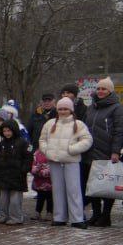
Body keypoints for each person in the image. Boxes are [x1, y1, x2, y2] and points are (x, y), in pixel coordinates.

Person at [39, 96, 91, 228]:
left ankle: (77, 218)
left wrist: (72, 150)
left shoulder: (78, 124)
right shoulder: (50, 124)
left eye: (65, 109)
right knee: (57, 190)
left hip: (70, 161)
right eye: (60, 109)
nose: (62, 111)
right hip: (55, 161)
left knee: (74, 190)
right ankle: (59, 217)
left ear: (71, 110)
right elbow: (42, 140)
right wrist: (47, 151)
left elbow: (87, 140)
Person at [84, 78, 123, 227]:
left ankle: (106, 216)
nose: (100, 91)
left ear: (110, 91)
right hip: (90, 151)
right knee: (93, 185)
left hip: (106, 151)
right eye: (99, 88)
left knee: (107, 184)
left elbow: (119, 131)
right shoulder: (91, 106)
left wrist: (115, 151)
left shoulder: (117, 108)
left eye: (104, 89)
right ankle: (96, 214)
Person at [0, 119, 32, 225]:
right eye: (4, 131)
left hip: (17, 176)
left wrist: (24, 170)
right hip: (3, 176)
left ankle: (16, 217)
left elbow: (28, 158)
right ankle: (3, 215)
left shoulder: (23, 143)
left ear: (14, 130)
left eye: (9, 131)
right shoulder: (1, 144)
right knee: (3, 199)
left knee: (15, 200)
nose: (7, 133)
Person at [31, 147, 53, 221]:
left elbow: (53, 166)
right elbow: (33, 164)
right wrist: (35, 170)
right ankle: (37, 212)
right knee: (40, 196)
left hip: (50, 181)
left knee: (50, 197)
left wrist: (44, 172)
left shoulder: (52, 151)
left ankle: (49, 212)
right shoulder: (37, 153)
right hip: (39, 180)